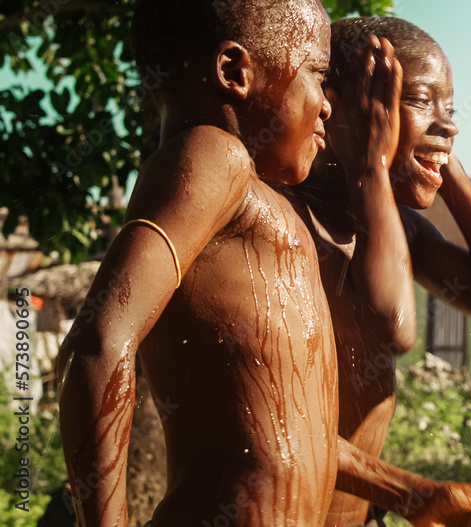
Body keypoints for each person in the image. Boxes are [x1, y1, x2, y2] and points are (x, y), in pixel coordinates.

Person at [57, 0, 340, 524]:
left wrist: (415, 489)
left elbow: (289, 432)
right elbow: (96, 345)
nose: (326, 105)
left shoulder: (246, 192)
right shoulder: (215, 157)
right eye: (318, 74)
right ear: (235, 72)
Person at [287, 17, 471, 527]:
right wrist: (372, 164)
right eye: (421, 100)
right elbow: (391, 324)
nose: (450, 124)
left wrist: (443, 161)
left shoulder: (397, 229)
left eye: (451, 109)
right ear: (338, 105)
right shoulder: (282, 222)